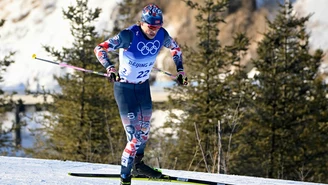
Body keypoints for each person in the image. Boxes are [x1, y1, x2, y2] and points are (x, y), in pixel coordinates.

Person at [94, 3, 188, 185]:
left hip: (143, 88)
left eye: (157, 26)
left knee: (144, 132)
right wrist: (110, 67)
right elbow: (100, 48)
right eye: (151, 26)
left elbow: (176, 49)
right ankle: (125, 179)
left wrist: (181, 70)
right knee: (134, 137)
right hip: (125, 89)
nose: (154, 31)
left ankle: (137, 165)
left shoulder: (162, 35)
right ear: (142, 23)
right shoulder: (128, 35)